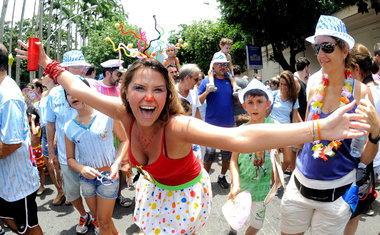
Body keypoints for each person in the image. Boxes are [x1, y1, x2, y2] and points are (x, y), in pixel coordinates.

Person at [16, 39, 369, 234]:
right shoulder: (123, 112)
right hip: (154, 190)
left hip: (186, 195)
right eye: (138, 88)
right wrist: (49, 63)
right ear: (126, 93)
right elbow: (77, 86)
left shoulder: (178, 126)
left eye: (158, 89)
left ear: (168, 97)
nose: (148, 97)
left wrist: (320, 128)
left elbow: (242, 139)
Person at [280, 15, 376, 235]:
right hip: (299, 186)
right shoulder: (313, 86)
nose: (321, 54)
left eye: (327, 47)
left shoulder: (360, 92)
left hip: (336, 195)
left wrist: (376, 132)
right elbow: (306, 135)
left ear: (344, 50)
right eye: (317, 48)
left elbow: (365, 157)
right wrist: (289, 157)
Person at [64, 77, 128, 235]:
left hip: (108, 177)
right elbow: (70, 159)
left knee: (104, 222)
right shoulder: (69, 127)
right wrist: (81, 168)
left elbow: (124, 140)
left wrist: (116, 163)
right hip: (86, 180)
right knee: (100, 219)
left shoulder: (107, 115)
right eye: (68, 93)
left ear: (87, 93)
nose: (73, 96)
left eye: (76, 92)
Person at [45, 50, 94, 233]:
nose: (83, 70)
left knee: (93, 190)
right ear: (65, 70)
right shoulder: (54, 95)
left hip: (90, 153)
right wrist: (51, 153)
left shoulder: (91, 89)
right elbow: (50, 125)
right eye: (78, 67)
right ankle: (83, 215)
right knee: (72, 192)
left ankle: (96, 217)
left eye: (84, 67)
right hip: (66, 157)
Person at [0, 43, 42, 234]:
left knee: (29, 228)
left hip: (18, 182)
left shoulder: (8, 96)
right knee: (9, 220)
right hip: (7, 179)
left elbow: (12, 143)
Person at [228, 79, 277, 235]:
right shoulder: (240, 131)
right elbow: (233, 160)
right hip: (241, 186)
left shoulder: (274, 126)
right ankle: (232, 231)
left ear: (267, 103)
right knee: (236, 219)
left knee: (257, 224)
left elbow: (289, 142)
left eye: (259, 102)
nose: (255, 107)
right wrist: (235, 184)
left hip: (262, 190)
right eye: (250, 102)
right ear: (244, 105)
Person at [344, 43, 380, 235]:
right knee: (355, 213)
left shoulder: (362, 93)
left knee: (349, 212)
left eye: (347, 69)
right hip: (374, 159)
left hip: (362, 160)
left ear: (355, 68)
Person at [94, 59, 132, 208]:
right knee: (102, 165)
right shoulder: (94, 88)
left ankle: (118, 195)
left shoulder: (121, 89)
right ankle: (101, 198)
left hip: (120, 135)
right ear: (107, 73)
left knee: (121, 164)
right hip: (101, 137)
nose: (119, 77)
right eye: (117, 74)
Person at [198, 52, 236, 189]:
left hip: (228, 125)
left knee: (227, 154)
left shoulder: (230, 80)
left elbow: (236, 102)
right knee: (209, 154)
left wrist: (237, 93)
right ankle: (205, 180)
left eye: (225, 64)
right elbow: (199, 101)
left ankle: (222, 176)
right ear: (213, 66)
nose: (222, 67)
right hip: (211, 125)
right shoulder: (206, 81)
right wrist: (207, 91)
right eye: (219, 64)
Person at [270, 70, 302, 174]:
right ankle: (273, 183)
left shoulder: (294, 99)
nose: (283, 87)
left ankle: (276, 178)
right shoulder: (273, 95)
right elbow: (266, 113)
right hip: (272, 130)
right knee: (273, 159)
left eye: (286, 85)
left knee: (288, 161)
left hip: (286, 131)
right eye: (281, 84)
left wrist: (296, 135)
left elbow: (294, 119)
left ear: (291, 85)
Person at [39, 74, 64, 203]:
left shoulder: (59, 92)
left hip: (54, 130)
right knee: (49, 165)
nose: (42, 77)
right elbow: (42, 114)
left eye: (45, 75)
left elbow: (56, 116)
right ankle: (59, 190)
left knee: (57, 165)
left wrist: (54, 137)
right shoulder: (43, 95)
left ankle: (65, 191)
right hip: (44, 130)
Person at [27, 105, 46, 196]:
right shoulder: (27, 126)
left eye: (29, 116)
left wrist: (33, 121)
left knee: (40, 169)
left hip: (37, 151)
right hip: (30, 151)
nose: (27, 118)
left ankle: (42, 186)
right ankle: (35, 185)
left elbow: (34, 133)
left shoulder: (37, 126)